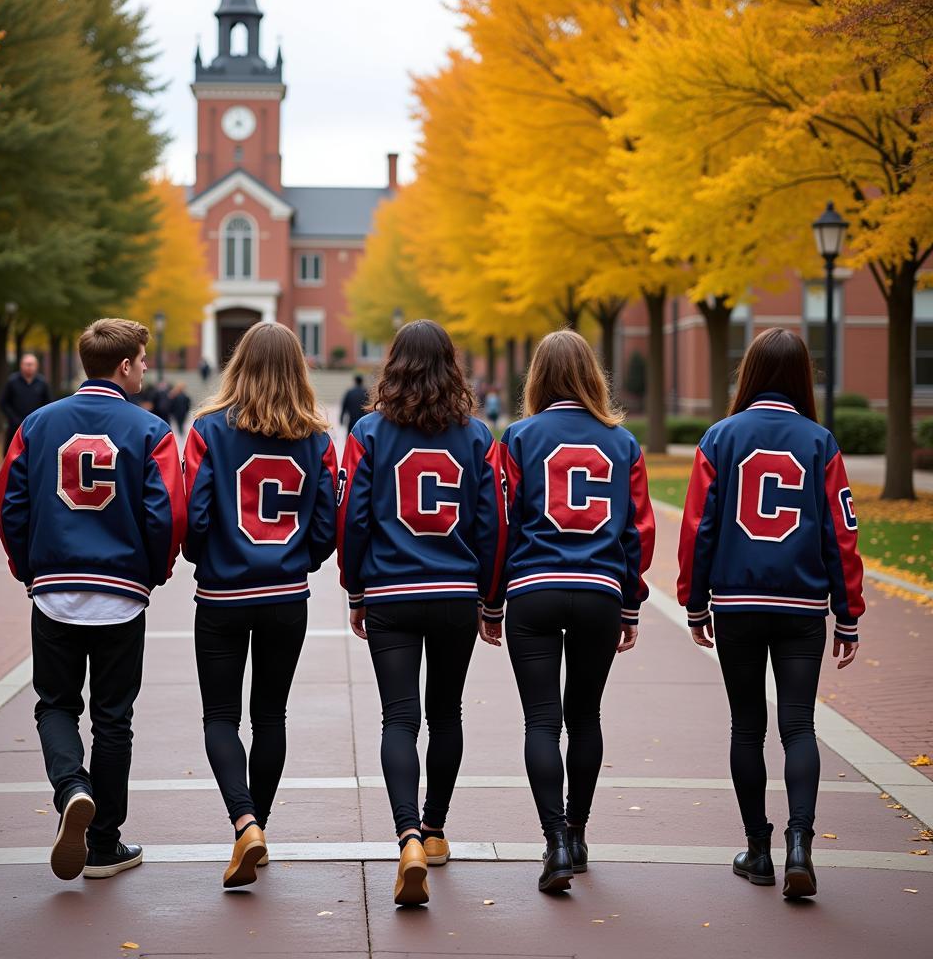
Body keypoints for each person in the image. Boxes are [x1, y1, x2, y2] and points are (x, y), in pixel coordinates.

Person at [0, 318, 186, 882]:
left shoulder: (37, 422)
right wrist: (154, 572)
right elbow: (167, 513)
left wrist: (27, 568)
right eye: (143, 361)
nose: (145, 369)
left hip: (54, 588)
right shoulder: (151, 429)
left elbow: (10, 500)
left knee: (55, 704)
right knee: (113, 719)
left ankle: (71, 787)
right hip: (120, 595)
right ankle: (104, 843)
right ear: (124, 366)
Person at [677, 327, 864, 900]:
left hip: (736, 603)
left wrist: (694, 600)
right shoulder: (820, 442)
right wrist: (847, 611)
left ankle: (757, 849)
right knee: (799, 725)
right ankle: (800, 845)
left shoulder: (719, 437)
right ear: (803, 375)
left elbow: (697, 528)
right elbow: (842, 532)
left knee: (746, 726)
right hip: (802, 605)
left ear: (749, 373)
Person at [337, 319, 507, 907]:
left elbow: (354, 519)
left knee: (399, 719)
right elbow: (490, 523)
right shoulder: (477, 436)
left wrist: (354, 588)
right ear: (451, 366)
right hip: (456, 590)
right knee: (447, 712)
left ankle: (406, 833)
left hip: (390, 591)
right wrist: (491, 598)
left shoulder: (369, 431)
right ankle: (434, 829)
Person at [483, 330, 654, 893]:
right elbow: (637, 530)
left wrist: (493, 596)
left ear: (537, 377)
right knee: (585, 718)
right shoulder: (622, 442)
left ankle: (553, 840)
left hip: (534, 586)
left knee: (541, 720)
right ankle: (578, 835)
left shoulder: (519, 436)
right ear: (592, 376)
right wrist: (630, 602)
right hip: (601, 588)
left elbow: (501, 521)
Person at [183, 322, 338, 890]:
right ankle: (259, 828)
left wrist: (207, 556)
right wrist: (300, 559)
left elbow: (195, 516)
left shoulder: (207, 429)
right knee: (271, 716)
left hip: (222, 593)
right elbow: (326, 528)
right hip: (285, 595)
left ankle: (243, 821)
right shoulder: (316, 437)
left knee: (220, 717)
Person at [0, 353, 51, 455]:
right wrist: (14, 419)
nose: (29, 367)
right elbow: (3, 403)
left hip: (36, 427)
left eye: (31, 364)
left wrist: (40, 420)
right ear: (21, 365)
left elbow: (48, 404)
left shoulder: (42, 383)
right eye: (26, 364)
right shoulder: (12, 381)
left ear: (36, 366)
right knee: (12, 456)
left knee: (35, 455)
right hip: (15, 428)